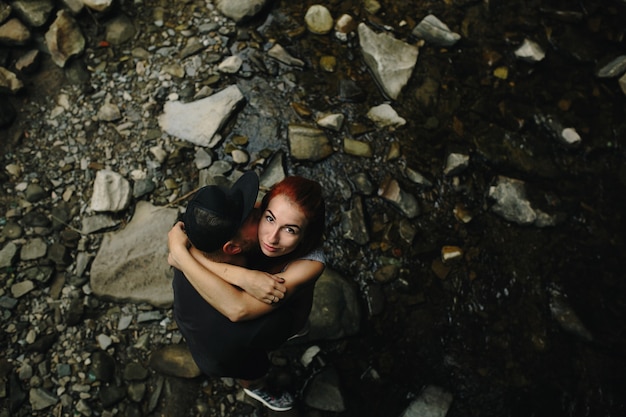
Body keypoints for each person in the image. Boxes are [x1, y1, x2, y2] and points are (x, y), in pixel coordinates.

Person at [168, 172, 326, 411]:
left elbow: (184, 250)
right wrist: (245, 276)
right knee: (254, 369)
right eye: (267, 219)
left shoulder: (207, 233)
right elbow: (238, 308)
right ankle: (255, 387)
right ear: (233, 248)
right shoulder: (249, 328)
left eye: (290, 229)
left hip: (188, 315)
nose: (271, 238)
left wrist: (181, 254)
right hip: (220, 351)